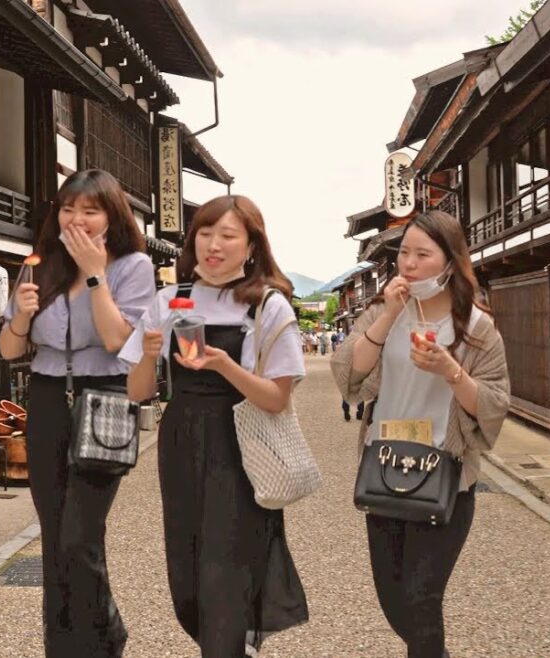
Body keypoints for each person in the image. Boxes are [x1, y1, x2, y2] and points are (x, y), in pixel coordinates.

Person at [123, 195, 308, 657]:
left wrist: (224, 365)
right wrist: (149, 355)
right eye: (205, 233)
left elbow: (276, 397)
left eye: (228, 236)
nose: (213, 245)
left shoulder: (267, 306)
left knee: (223, 573)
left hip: (239, 445)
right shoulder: (170, 299)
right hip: (181, 438)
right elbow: (137, 392)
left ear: (251, 246)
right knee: (185, 574)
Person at [330, 210, 510, 658]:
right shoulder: (380, 312)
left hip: (446, 476)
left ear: (450, 261)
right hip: (385, 467)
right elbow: (349, 377)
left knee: (422, 599)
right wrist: (389, 315)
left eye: (422, 254)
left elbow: (493, 404)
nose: (408, 264)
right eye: (404, 253)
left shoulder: (477, 327)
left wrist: (452, 371)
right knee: (395, 604)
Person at [0, 169, 154, 657]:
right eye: (70, 209)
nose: (78, 219)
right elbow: (9, 350)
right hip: (46, 398)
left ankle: (103, 640)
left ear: (111, 217)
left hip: (105, 394)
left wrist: (94, 274)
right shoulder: (40, 265)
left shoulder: (132, 266)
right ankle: (62, 648)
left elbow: (116, 340)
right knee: (53, 537)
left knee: (80, 535)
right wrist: (22, 316)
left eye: (91, 210)